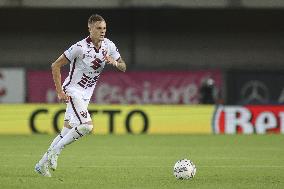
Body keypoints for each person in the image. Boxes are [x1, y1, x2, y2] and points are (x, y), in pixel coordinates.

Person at [34, 14, 126, 177]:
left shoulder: (109, 46)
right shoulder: (79, 47)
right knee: (87, 126)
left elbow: (123, 67)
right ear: (90, 28)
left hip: (86, 95)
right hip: (73, 91)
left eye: (104, 28)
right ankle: (57, 150)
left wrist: (115, 63)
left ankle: (41, 165)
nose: (102, 31)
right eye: (98, 28)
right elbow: (55, 65)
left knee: (66, 131)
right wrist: (60, 92)